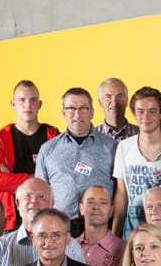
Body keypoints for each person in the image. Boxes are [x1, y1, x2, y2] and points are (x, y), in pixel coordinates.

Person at [35, 87, 117, 236]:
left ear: (92, 112)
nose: (77, 114)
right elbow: (40, 194)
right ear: (63, 113)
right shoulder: (48, 150)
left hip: (101, 228)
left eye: (83, 108)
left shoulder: (112, 148)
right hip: (60, 229)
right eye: (71, 108)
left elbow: (120, 193)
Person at [0, 80, 59, 231]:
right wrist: (41, 180)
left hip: (47, 217)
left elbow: (59, 179)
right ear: (13, 104)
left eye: (33, 100)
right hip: (10, 219)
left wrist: (11, 179)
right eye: (22, 100)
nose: (28, 105)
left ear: (40, 104)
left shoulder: (53, 137)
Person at [112, 87, 161, 238]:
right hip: (132, 234)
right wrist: (114, 236)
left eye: (152, 111)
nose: (145, 116)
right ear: (134, 114)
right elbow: (122, 195)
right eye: (140, 111)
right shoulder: (124, 147)